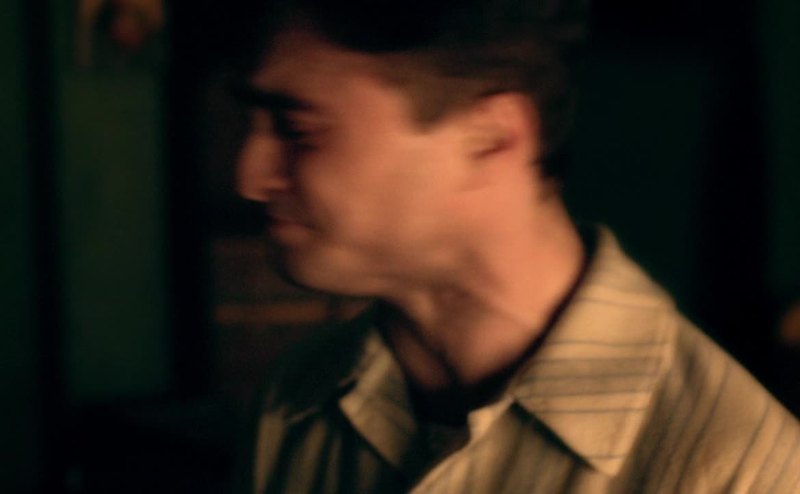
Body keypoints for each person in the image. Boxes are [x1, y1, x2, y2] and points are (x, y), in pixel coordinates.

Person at [232, 1, 800, 492]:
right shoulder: (297, 397)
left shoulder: (741, 470)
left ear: (491, 138)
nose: (249, 178)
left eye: (299, 130)